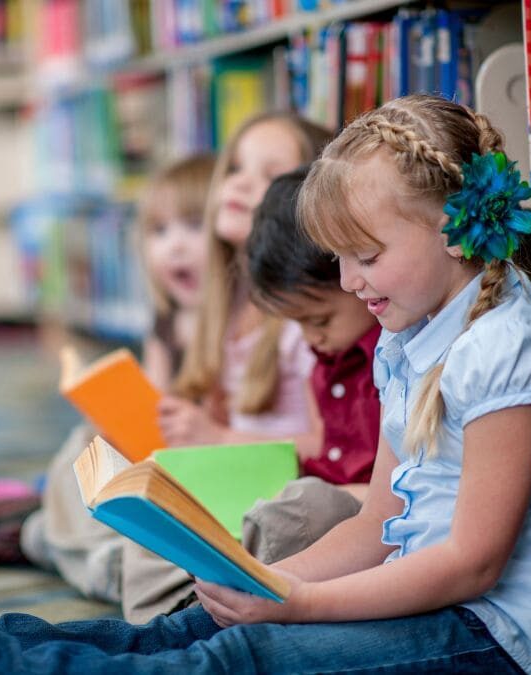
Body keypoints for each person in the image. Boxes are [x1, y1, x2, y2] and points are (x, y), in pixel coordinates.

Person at [0, 94, 531, 674]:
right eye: (339, 258)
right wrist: (263, 577)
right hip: (443, 605)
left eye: (366, 257)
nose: (349, 281)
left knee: (242, 655)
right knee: (189, 628)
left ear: (451, 229)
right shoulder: (408, 335)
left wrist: (295, 601)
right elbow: (382, 516)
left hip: (505, 642)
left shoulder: (505, 348)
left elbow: (472, 564)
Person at [0, 154, 218, 580]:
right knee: (75, 464)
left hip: (193, 475)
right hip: (162, 461)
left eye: (194, 227)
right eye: (160, 231)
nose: (175, 245)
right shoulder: (166, 323)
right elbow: (155, 412)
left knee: (66, 494)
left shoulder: (233, 328)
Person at [124, 166, 383, 624]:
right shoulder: (327, 354)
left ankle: (198, 606)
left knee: (294, 508)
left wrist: (222, 438)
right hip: (296, 488)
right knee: (159, 497)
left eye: (318, 322)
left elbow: (386, 494)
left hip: (340, 509)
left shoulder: (386, 358)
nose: (310, 338)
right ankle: (184, 602)